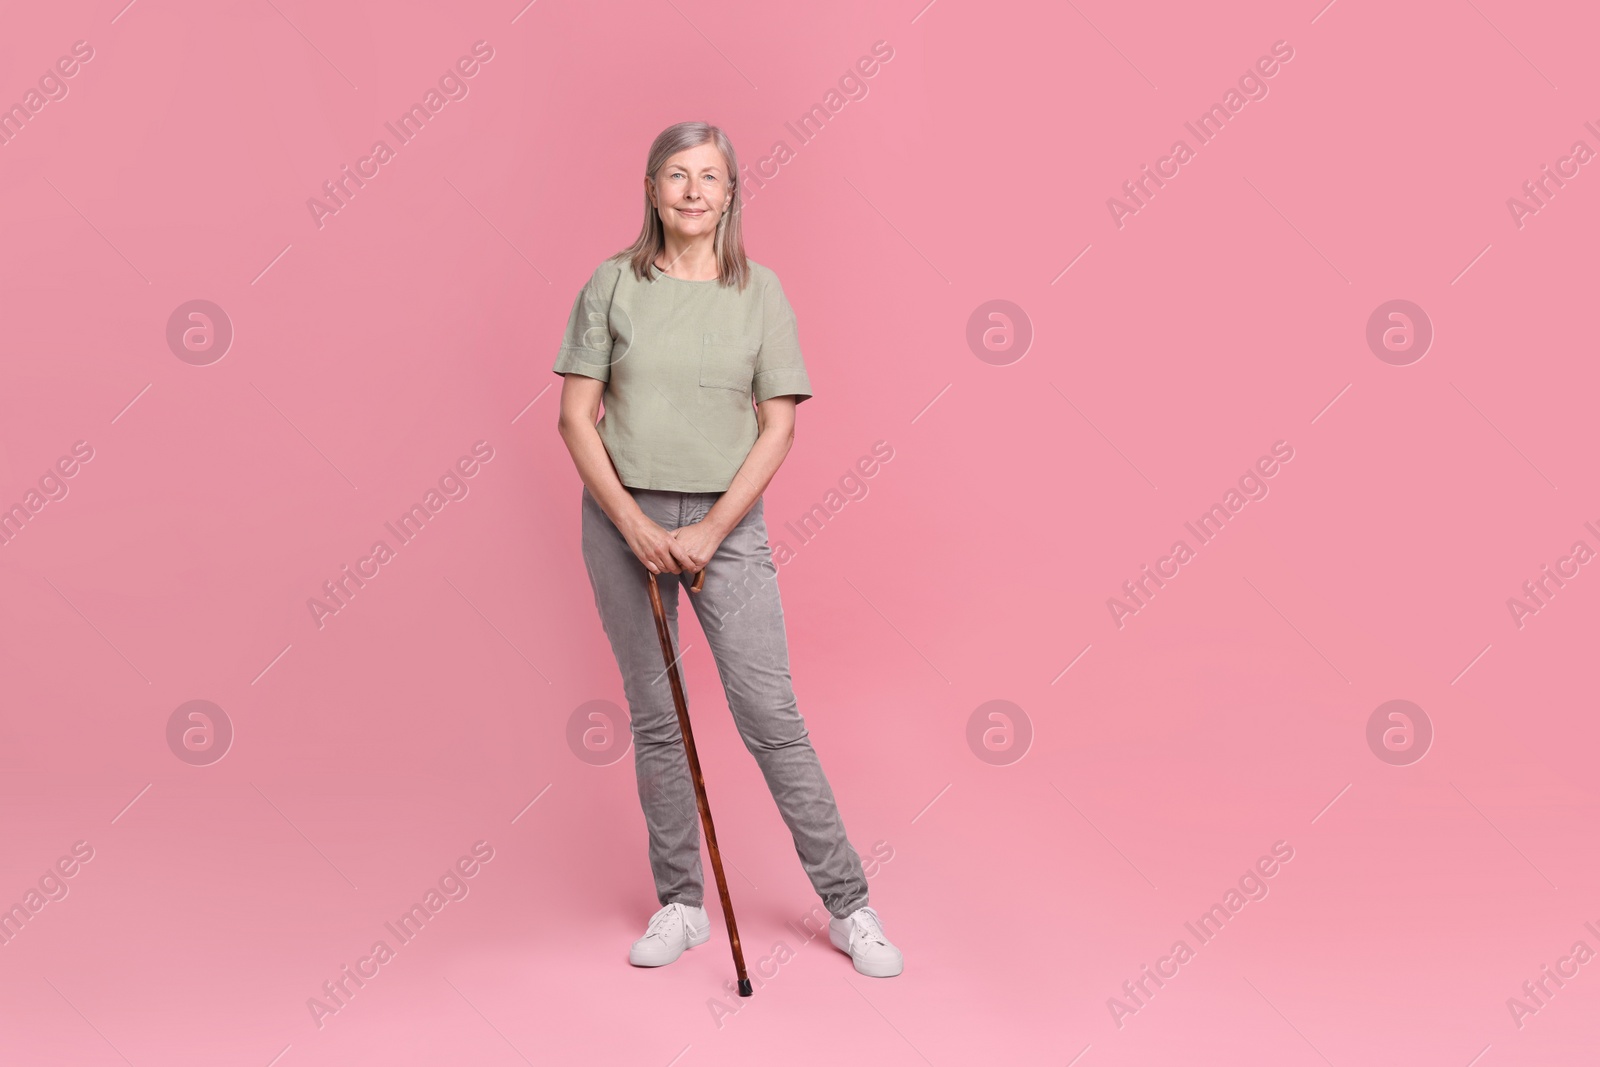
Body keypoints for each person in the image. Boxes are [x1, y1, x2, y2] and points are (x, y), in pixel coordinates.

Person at [552, 121, 902, 979]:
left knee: (771, 718)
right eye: (677, 175)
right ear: (652, 189)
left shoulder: (761, 292)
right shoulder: (611, 284)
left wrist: (710, 530)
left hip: (728, 522)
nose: (694, 190)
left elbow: (778, 425)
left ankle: (851, 905)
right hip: (620, 518)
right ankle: (682, 902)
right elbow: (574, 415)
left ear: (732, 192)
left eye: (710, 176)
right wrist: (635, 526)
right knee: (656, 717)